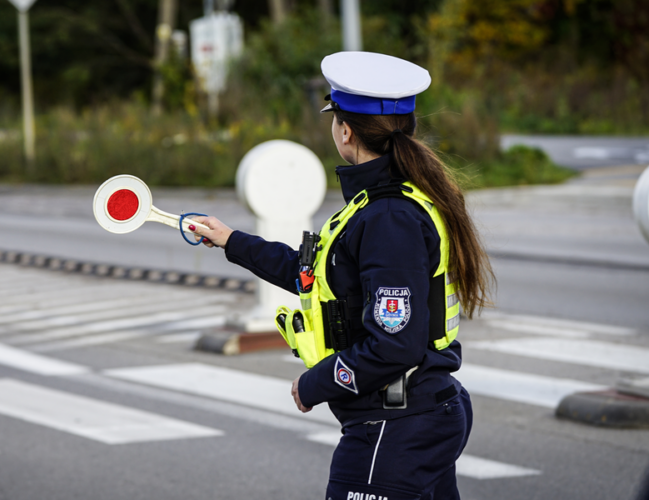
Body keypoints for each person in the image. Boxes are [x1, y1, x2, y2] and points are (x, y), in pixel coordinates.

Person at [189, 51, 494, 499]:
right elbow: (315, 276)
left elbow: (395, 343)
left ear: (345, 130)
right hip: (411, 417)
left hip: (398, 425)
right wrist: (231, 240)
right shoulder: (381, 204)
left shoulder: (389, 217)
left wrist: (316, 383)